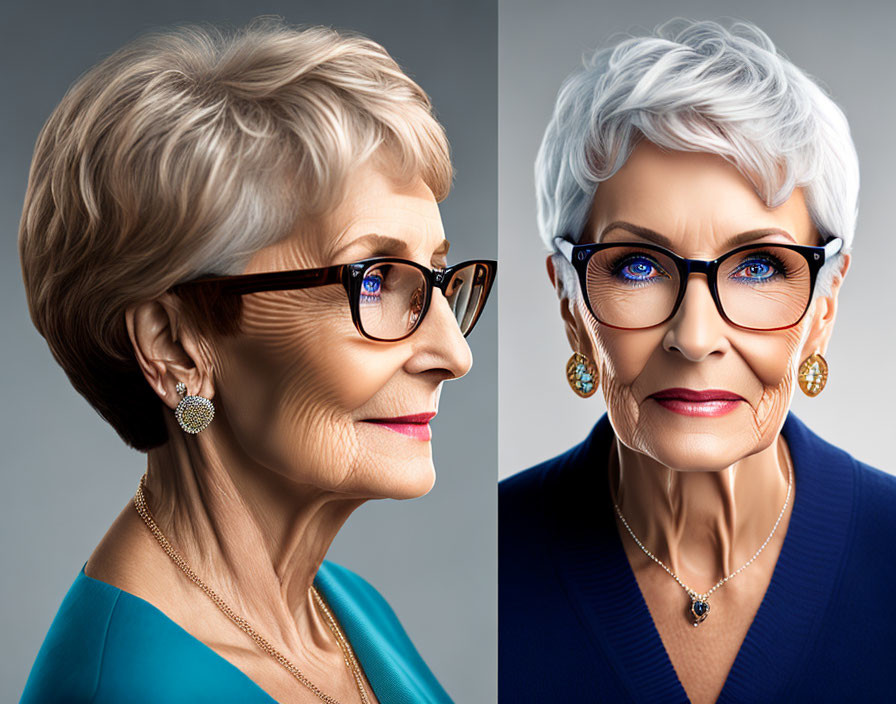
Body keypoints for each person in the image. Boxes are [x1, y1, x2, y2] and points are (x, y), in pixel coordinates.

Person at [18, 19, 495, 704]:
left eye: (438, 280)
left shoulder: (347, 607)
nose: (455, 353)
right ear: (175, 344)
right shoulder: (126, 689)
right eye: (374, 280)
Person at [499, 19, 896, 703]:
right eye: (639, 266)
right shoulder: (497, 562)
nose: (696, 334)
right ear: (570, 306)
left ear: (824, 309)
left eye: (760, 266)